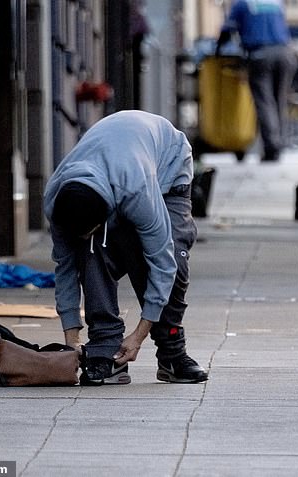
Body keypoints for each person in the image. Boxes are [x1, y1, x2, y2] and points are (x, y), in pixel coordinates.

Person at [43, 110, 208, 386]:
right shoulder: (56, 200)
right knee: (92, 250)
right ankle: (106, 350)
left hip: (166, 167)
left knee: (173, 261)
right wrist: (71, 340)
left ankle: (171, 352)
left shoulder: (137, 190)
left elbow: (163, 263)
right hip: (116, 158)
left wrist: (138, 336)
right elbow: (65, 269)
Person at [216, 0, 297, 162]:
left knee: (265, 102)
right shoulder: (276, 3)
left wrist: (218, 49)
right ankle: (279, 144)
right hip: (285, 54)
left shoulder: (242, 3)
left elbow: (228, 29)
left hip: (260, 55)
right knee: (279, 101)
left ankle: (272, 147)